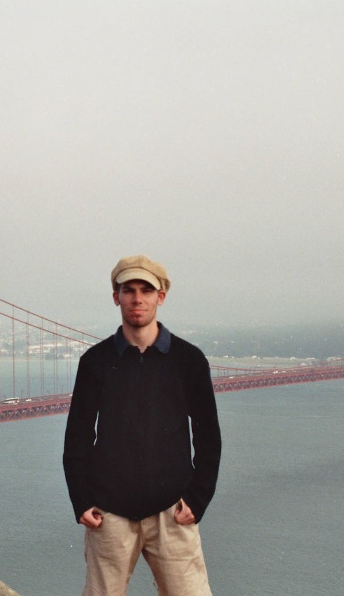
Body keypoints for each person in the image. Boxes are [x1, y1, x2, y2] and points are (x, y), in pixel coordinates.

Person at [63, 254, 222, 596]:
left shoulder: (189, 360)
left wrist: (198, 498)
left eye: (146, 290)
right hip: (109, 516)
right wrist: (81, 499)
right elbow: (77, 437)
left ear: (160, 296)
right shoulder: (95, 362)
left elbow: (209, 436)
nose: (137, 298)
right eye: (128, 290)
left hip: (173, 513)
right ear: (115, 296)